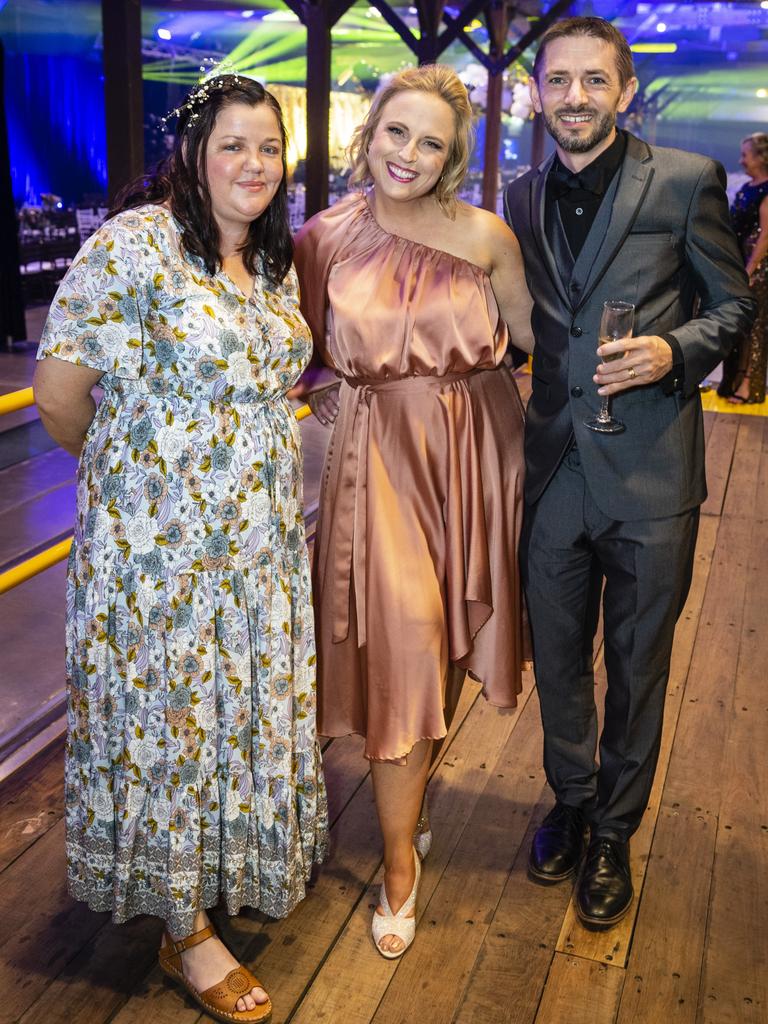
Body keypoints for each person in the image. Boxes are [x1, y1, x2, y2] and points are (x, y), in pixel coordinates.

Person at [33, 74, 328, 1023]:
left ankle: (209, 873)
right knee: (173, 718)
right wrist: (143, 489)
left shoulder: (270, 261)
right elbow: (58, 397)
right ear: (194, 153)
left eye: (269, 148)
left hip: (258, 546)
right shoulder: (137, 246)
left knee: (232, 712)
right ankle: (185, 931)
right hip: (160, 554)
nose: (254, 165)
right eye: (234, 145)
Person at [504, 17, 754, 930]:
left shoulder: (686, 181)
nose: (575, 97)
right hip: (554, 470)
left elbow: (735, 307)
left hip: (651, 472)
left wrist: (673, 350)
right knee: (560, 663)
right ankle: (569, 803)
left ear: (625, 91)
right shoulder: (519, 196)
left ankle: (613, 830)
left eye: (593, 81)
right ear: (538, 93)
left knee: (639, 667)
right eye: (558, 80)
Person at [294, 64, 534, 958]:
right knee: (398, 643)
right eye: (398, 133)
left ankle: (413, 811)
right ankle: (399, 861)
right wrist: (321, 386)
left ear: (454, 155)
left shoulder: (485, 236)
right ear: (370, 132)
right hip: (379, 468)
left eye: (431, 142)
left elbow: (539, 342)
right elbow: (292, 345)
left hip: (476, 456)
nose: (410, 154)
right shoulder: (323, 236)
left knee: (437, 644)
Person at [717, 131, 768, 403]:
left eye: (746, 155)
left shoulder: (767, 189)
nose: (741, 160)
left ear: (762, 158)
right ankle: (731, 381)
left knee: (755, 327)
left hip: (757, 268)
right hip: (740, 263)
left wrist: (750, 269)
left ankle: (749, 385)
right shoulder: (749, 186)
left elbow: (765, 236)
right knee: (737, 326)